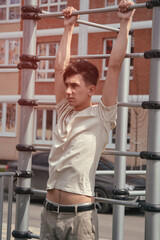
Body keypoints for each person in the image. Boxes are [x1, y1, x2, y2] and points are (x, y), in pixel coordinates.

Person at [40, 1, 135, 239]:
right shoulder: (64, 110)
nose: (69, 91)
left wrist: (124, 22)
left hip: (79, 216)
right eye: (67, 86)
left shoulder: (102, 115)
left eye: (75, 86)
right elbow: (59, 66)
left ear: (91, 90)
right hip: (49, 214)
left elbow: (114, 67)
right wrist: (68, 28)